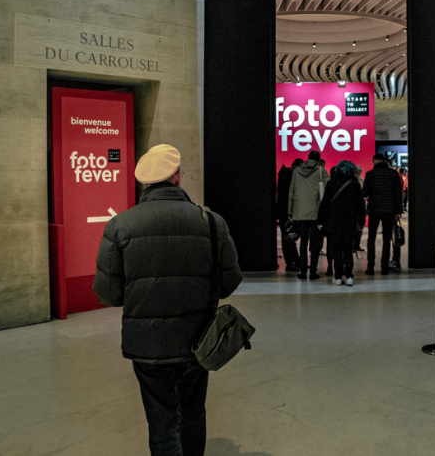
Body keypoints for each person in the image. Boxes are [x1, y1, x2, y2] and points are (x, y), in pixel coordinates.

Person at [93, 144, 242, 456]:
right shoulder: (212, 222)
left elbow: (109, 293)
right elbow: (229, 282)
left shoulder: (120, 225)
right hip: (198, 340)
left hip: (146, 343)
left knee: (161, 422)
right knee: (193, 412)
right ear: (176, 177)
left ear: (145, 182)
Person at [317, 160, 366, 286]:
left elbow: (324, 204)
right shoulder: (355, 185)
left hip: (334, 222)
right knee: (348, 249)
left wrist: (320, 221)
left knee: (336, 250)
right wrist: (361, 222)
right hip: (350, 223)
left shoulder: (331, 184)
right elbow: (361, 206)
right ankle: (349, 276)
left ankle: (338, 276)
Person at [288, 149, 330, 280]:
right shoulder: (321, 171)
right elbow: (328, 188)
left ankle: (302, 272)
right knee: (315, 245)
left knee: (302, 244)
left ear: (307, 157)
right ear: (318, 159)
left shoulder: (296, 171)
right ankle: (312, 272)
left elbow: (292, 193)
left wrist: (290, 211)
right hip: (316, 214)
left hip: (300, 214)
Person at [362, 153, 403, 275]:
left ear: (375, 161)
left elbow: (365, 193)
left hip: (374, 208)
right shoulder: (393, 174)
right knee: (387, 239)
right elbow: (397, 194)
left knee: (371, 238)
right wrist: (398, 210)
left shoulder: (370, 174)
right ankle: (384, 267)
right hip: (389, 209)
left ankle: (370, 267)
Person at [277, 158, 303, 272]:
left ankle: (295, 262)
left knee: (289, 238)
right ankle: (291, 263)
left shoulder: (285, 177)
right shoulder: (290, 178)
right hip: (287, 212)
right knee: (288, 239)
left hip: (284, 212)